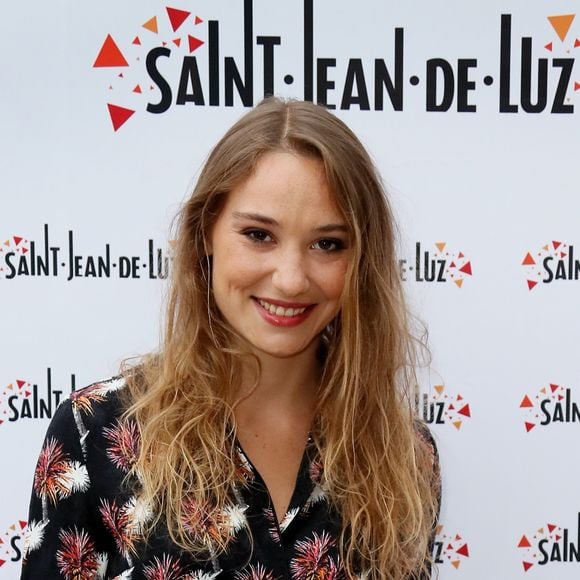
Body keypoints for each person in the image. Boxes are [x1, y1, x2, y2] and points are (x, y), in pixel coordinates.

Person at [21, 98, 440, 580]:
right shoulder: (95, 431)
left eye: (328, 244)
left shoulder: (403, 453)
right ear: (206, 235)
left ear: (362, 261)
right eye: (259, 235)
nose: (290, 279)